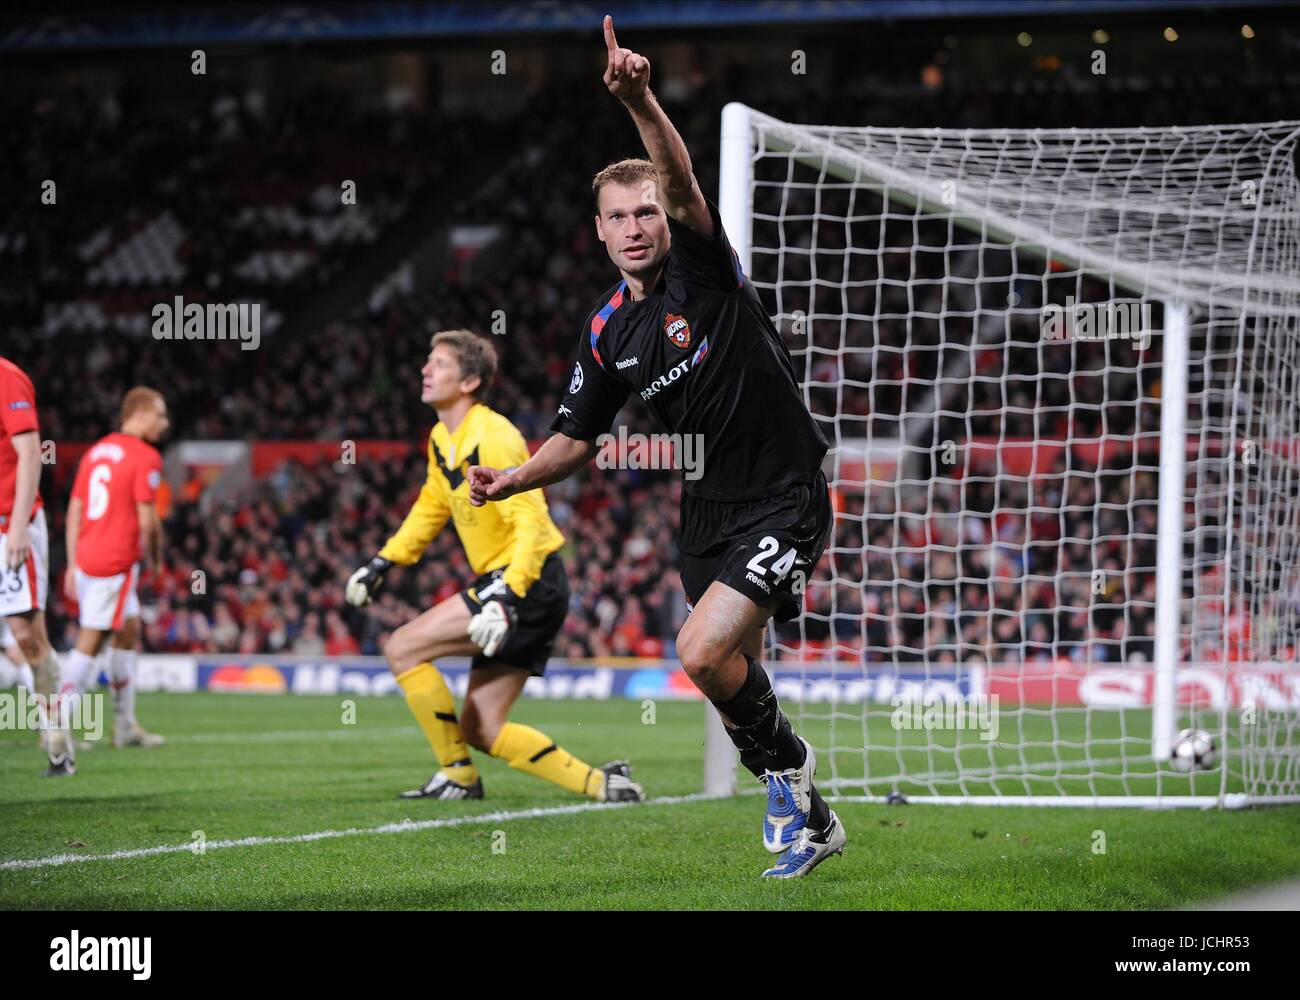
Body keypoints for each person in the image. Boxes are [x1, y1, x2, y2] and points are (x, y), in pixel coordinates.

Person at [468, 17, 845, 878]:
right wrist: (512, 480)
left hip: (784, 489)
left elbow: (678, 178)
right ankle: (810, 812)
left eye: (645, 211)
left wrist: (638, 99)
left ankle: (788, 775)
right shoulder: (607, 329)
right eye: (618, 217)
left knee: (700, 651)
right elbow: (574, 438)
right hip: (705, 511)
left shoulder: (702, 268)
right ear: (597, 232)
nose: (636, 225)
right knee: (725, 676)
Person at [346, 330, 645, 804]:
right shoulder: (442, 437)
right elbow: (431, 506)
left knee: (402, 647)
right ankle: (605, 785)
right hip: (516, 582)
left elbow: (531, 519)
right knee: (481, 727)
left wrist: (507, 593)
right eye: (428, 361)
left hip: (525, 578)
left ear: (469, 381)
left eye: (439, 363)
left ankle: (457, 776)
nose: (426, 370)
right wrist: (385, 561)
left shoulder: (495, 436)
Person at [61, 386, 170, 748]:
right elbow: (148, 521)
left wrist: (73, 562)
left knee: (128, 630)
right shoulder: (145, 456)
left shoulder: (95, 452)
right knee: (91, 641)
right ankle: (55, 729)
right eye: (160, 415)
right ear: (138, 414)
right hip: (116, 561)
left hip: (89, 556)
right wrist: (155, 560)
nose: (165, 423)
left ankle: (124, 726)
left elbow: (75, 509)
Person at [0, 354, 74, 775]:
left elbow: (30, 453)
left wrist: (16, 527)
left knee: (26, 635)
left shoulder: (7, 378)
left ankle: (57, 736)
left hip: (9, 525)